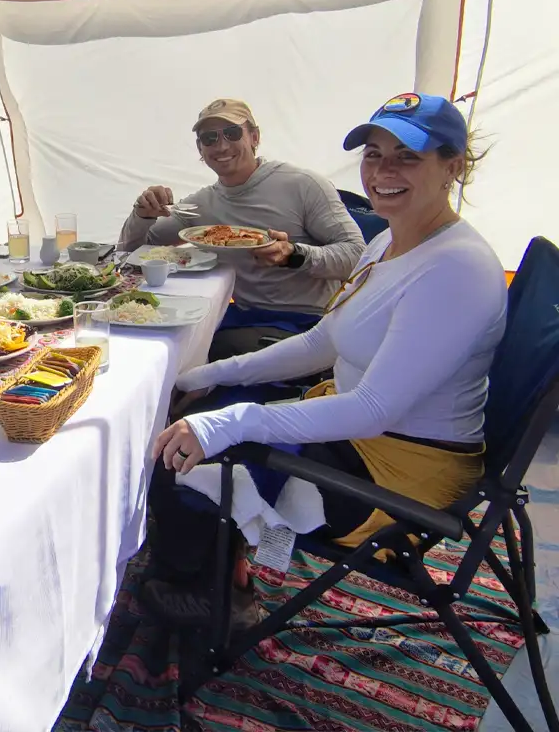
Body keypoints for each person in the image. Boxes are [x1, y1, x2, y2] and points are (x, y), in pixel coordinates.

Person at [143, 92, 506, 626]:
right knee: (204, 412)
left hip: (396, 474)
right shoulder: (387, 242)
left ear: (453, 166)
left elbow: (374, 407)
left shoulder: (456, 269)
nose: (383, 171)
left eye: (408, 156)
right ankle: (224, 569)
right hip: (359, 431)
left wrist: (230, 421)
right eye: (373, 153)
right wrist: (208, 373)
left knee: (180, 461)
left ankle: (210, 600)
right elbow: (322, 342)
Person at [118, 99, 366, 360]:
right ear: (200, 149)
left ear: (255, 137)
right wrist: (142, 213)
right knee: (159, 340)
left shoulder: (303, 185)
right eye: (210, 138)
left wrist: (294, 254)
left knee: (186, 354)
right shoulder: (202, 204)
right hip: (242, 316)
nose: (222, 145)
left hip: (306, 322)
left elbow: (359, 256)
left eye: (233, 133)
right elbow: (131, 252)